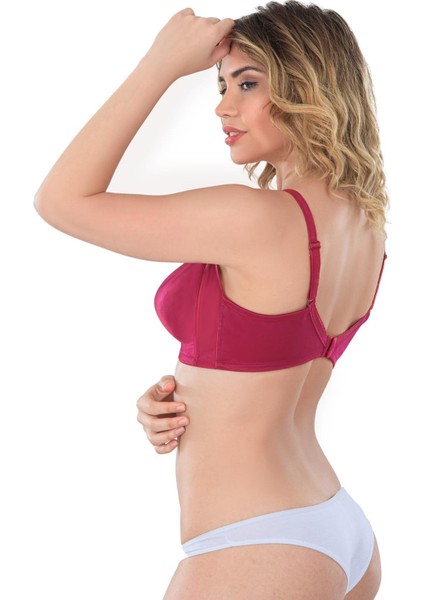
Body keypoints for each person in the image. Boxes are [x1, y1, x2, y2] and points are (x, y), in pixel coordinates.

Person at [34, 2, 387, 598]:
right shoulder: (364, 221)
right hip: (328, 522)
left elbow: (60, 201)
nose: (223, 107)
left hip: (261, 541)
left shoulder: (255, 217)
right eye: (221, 86)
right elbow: (272, 366)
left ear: (308, 84)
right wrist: (188, 399)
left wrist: (159, 64)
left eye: (247, 84)